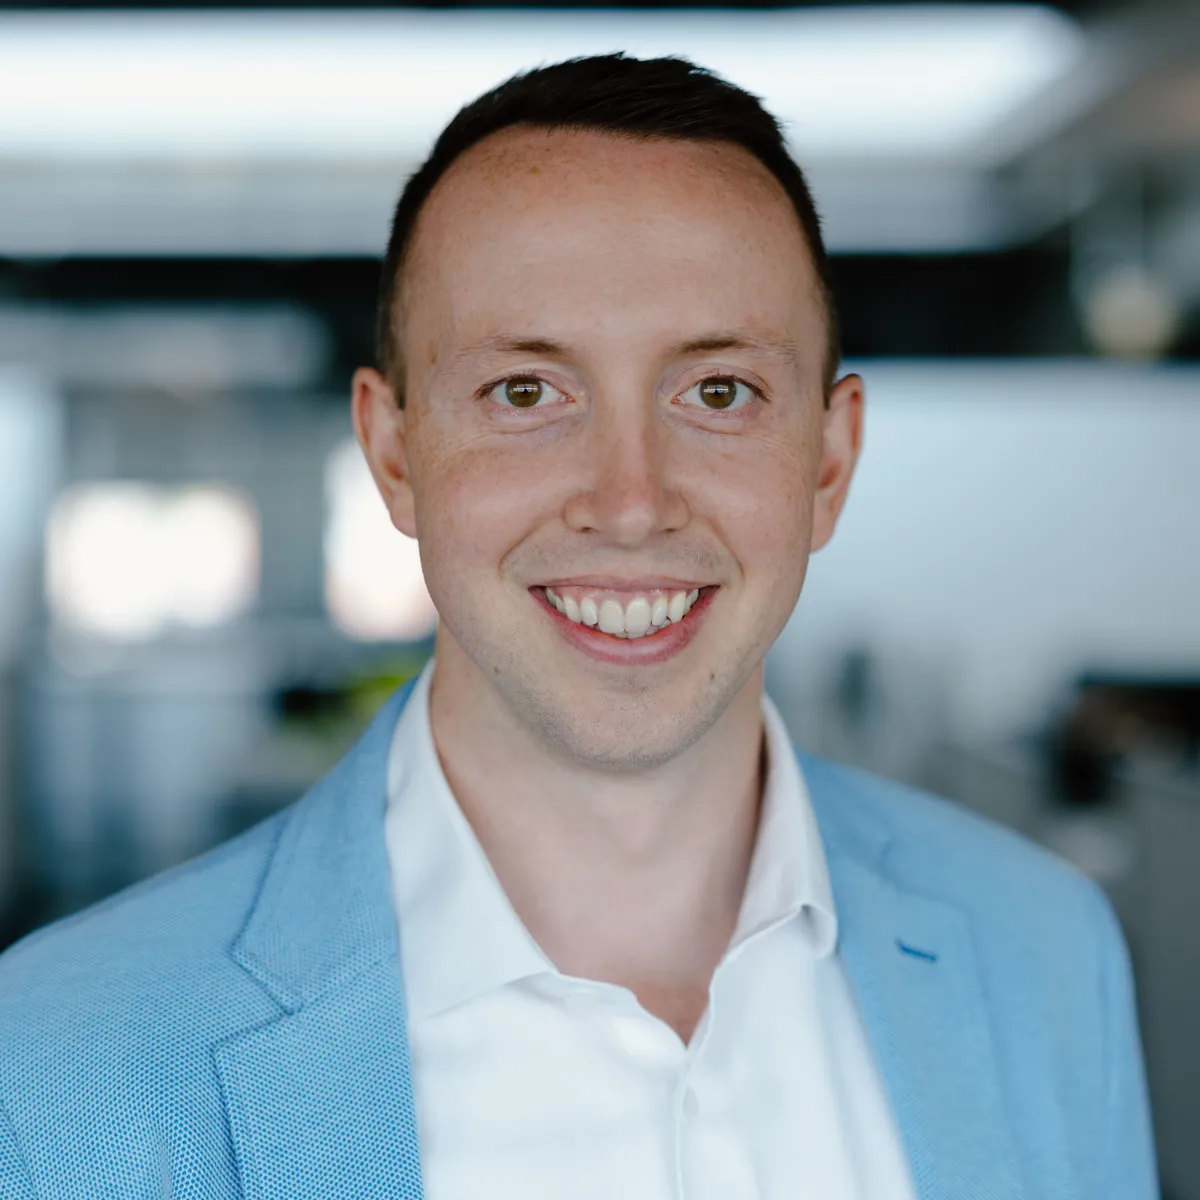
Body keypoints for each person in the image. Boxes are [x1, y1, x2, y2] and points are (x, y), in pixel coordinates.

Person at [0, 55, 1157, 1199]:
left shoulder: (1046, 953)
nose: (631, 501)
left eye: (717, 393)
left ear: (831, 460)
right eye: (525, 393)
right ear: (394, 454)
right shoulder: (58, 1064)